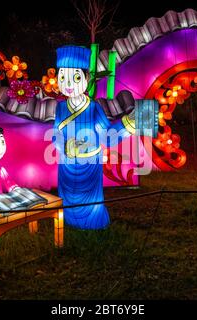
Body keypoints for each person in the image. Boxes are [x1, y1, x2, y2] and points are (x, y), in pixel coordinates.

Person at [52, 45, 136, 230]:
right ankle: (68, 221)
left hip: (89, 165)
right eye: (63, 77)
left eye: (75, 77)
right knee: (67, 201)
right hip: (66, 165)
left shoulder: (94, 108)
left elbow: (107, 138)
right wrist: (65, 147)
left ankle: (92, 224)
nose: (68, 84)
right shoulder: (60, 108)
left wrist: (129, 125)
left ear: (86, 78)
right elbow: (55, 136)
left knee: (91, 205)